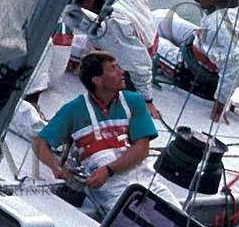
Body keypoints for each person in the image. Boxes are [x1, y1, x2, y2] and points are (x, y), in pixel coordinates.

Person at [32, 51, 157, 218]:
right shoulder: (74, 110)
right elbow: (40, 144)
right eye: (113, 69)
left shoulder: (134, 101)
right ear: (97, 80)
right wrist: (57, 167)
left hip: (147, 180)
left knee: (180, 220)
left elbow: (142, 149)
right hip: (112, 191)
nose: (122, 72)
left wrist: (108, 170)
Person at [158, 0, 239, 122]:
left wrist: (220, 106)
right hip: (202, 42)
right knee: (160, 17)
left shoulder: (219, 26)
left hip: (198, 70)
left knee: (150, 41)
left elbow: (236, 66)